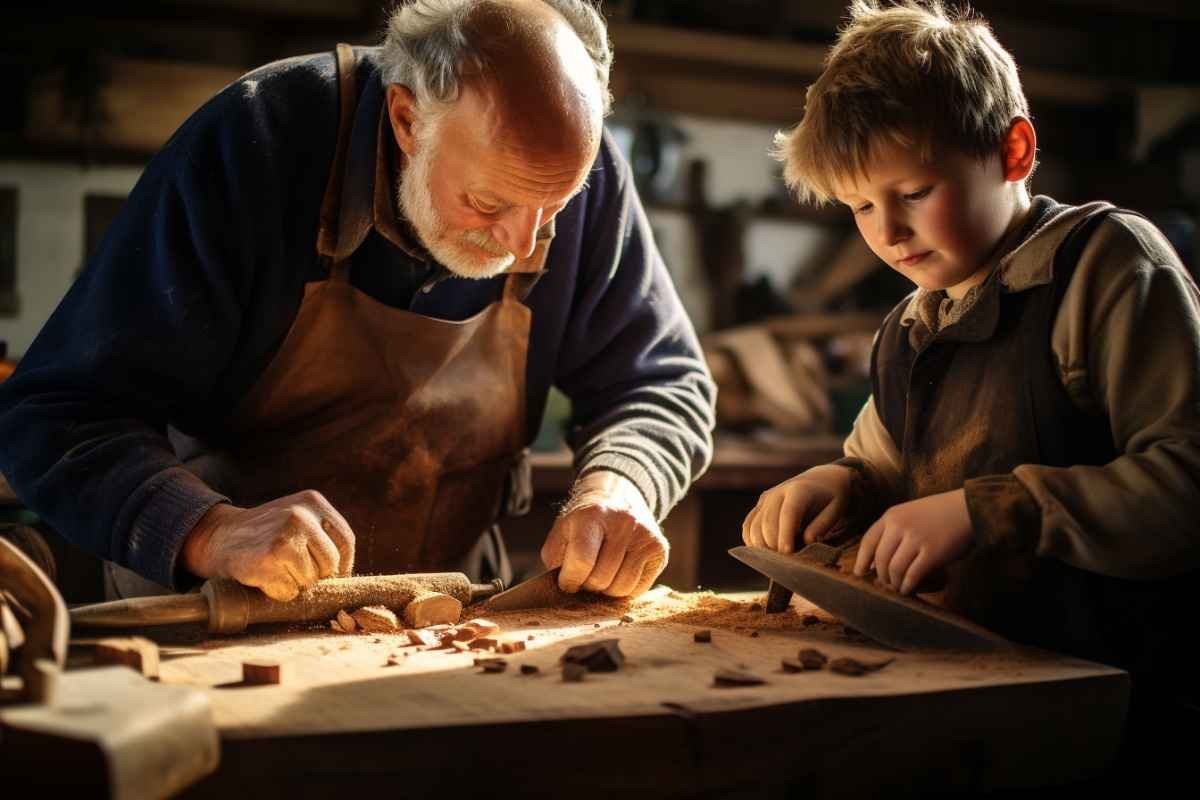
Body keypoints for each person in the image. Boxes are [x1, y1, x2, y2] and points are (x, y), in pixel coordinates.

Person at [0, 0, 714, 603]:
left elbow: (661, 383)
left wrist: (621, 486)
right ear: (407, 120)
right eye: (487, 203)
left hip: (446, 620)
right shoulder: (256, 140)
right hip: (211, 618)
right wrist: (209, 530)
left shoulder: (570, 169)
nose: (525, 242)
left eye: (554, 207)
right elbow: (54, 412)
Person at [743, 0, 1200, 777]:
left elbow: (1186, 485)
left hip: (1122, 720)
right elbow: (882, 466)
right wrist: (839, 484)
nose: (887, 232)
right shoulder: (909, 326)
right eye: (860, 206)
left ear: (1013, 151)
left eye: (914, 192)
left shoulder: (1108, 268)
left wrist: (989, 511)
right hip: (974, 708)